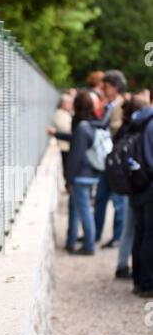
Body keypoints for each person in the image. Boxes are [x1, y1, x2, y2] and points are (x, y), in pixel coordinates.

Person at [64, 90, 101, 256]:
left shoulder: (81, 127)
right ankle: (71, 240)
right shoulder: (93, 123)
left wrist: (68, 179)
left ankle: (89, 246)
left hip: (80, 175)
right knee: (75, 207)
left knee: (84, 210)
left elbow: (76, 155)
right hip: (90, 173)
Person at [94, 70, 127, 249]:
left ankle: (117, 238)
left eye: (105, 86)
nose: (103, 89)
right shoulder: (108, 105)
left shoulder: (121, 106)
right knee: (100, 198)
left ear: (115, 87)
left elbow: (118, 129)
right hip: (106, 159)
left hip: (116, 161)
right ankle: (96, 233)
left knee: (118, 202)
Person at [114, 97, 146, 279]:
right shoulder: (139, 130)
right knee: (138, 229)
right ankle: (135, 269)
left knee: (129, 229)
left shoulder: (123, 130)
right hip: (138, 184)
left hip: (127, 183)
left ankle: (122, 264)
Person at [129, 97, 153, 297]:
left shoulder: (140, 119)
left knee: (141, 232)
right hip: (150, 184)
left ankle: (139, 280)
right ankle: (147, 284)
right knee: (149, 235)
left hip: (138, 183)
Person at [51, 93, 73, 178]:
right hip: (65, 144)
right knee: (67, 166)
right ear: (63, 103)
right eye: (69, 103)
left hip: (67, 143)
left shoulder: (66, 113)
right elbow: (65, 128)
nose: (70, 105)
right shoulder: (60, 114)